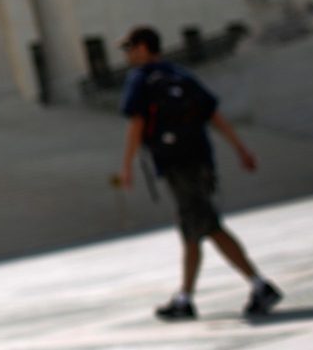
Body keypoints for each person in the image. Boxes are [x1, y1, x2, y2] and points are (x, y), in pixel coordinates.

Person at [116, 25, 282, 321]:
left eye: (129, 48)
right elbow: (213, 115)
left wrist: (127, 167)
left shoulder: (141, 79)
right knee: (192, 229)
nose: (127, 55)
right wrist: (240, 149)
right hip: (201, 159)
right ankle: (185, 298)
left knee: (207, 225)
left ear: (142, 48)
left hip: (176, 164)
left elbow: (137, 124)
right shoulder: (180, 75)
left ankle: (259, 284)